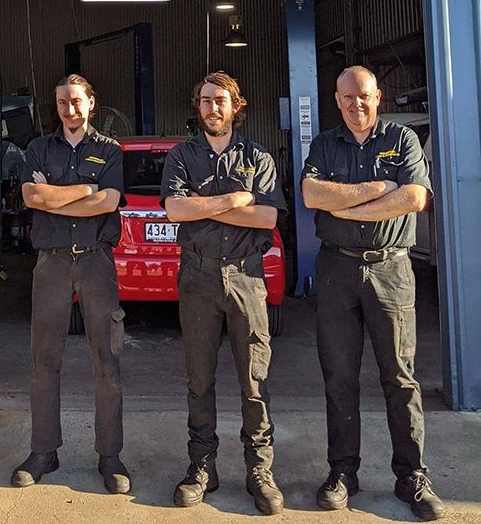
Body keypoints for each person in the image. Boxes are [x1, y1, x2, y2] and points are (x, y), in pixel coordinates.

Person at [302, 66, 444, 520]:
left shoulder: (402, 139)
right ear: (337, 99)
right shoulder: (325, 144)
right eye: (346, 98)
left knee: (400, 378)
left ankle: (412, 476)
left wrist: (346, 203)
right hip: (337, 270)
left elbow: (415, 198)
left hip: (392, 271)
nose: (355, 104)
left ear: (377, 96)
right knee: (339, 378)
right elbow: (309, 194)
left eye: (363, 96)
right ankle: (343, 472)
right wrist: (378, 191)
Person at [161, 71, 287, 515]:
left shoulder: (258, 157)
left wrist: (206, 205)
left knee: (254, 380)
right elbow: (176, 209)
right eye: (205, 101)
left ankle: (259, 470)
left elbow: (269, 219)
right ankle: (202, 466)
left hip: (246, 279)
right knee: (199, 379)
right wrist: (235, 201)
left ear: (237, 106)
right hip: (197, 278)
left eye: (221, 101)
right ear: (197, 106)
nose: (213, 108)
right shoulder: (181, 156)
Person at [10, 74, 131, 494]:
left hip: (97, 263)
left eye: (77, 102)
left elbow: (109, 202)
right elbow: (31, 198)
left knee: (106, 361)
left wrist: (56, 196)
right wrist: (84, 192)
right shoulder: (38, 149)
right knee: (44, 361)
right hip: (52, 264)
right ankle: (44, 450)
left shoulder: (110, 150)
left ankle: (110, 456)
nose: (70, 109)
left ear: (91, 103)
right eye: (63, 103)